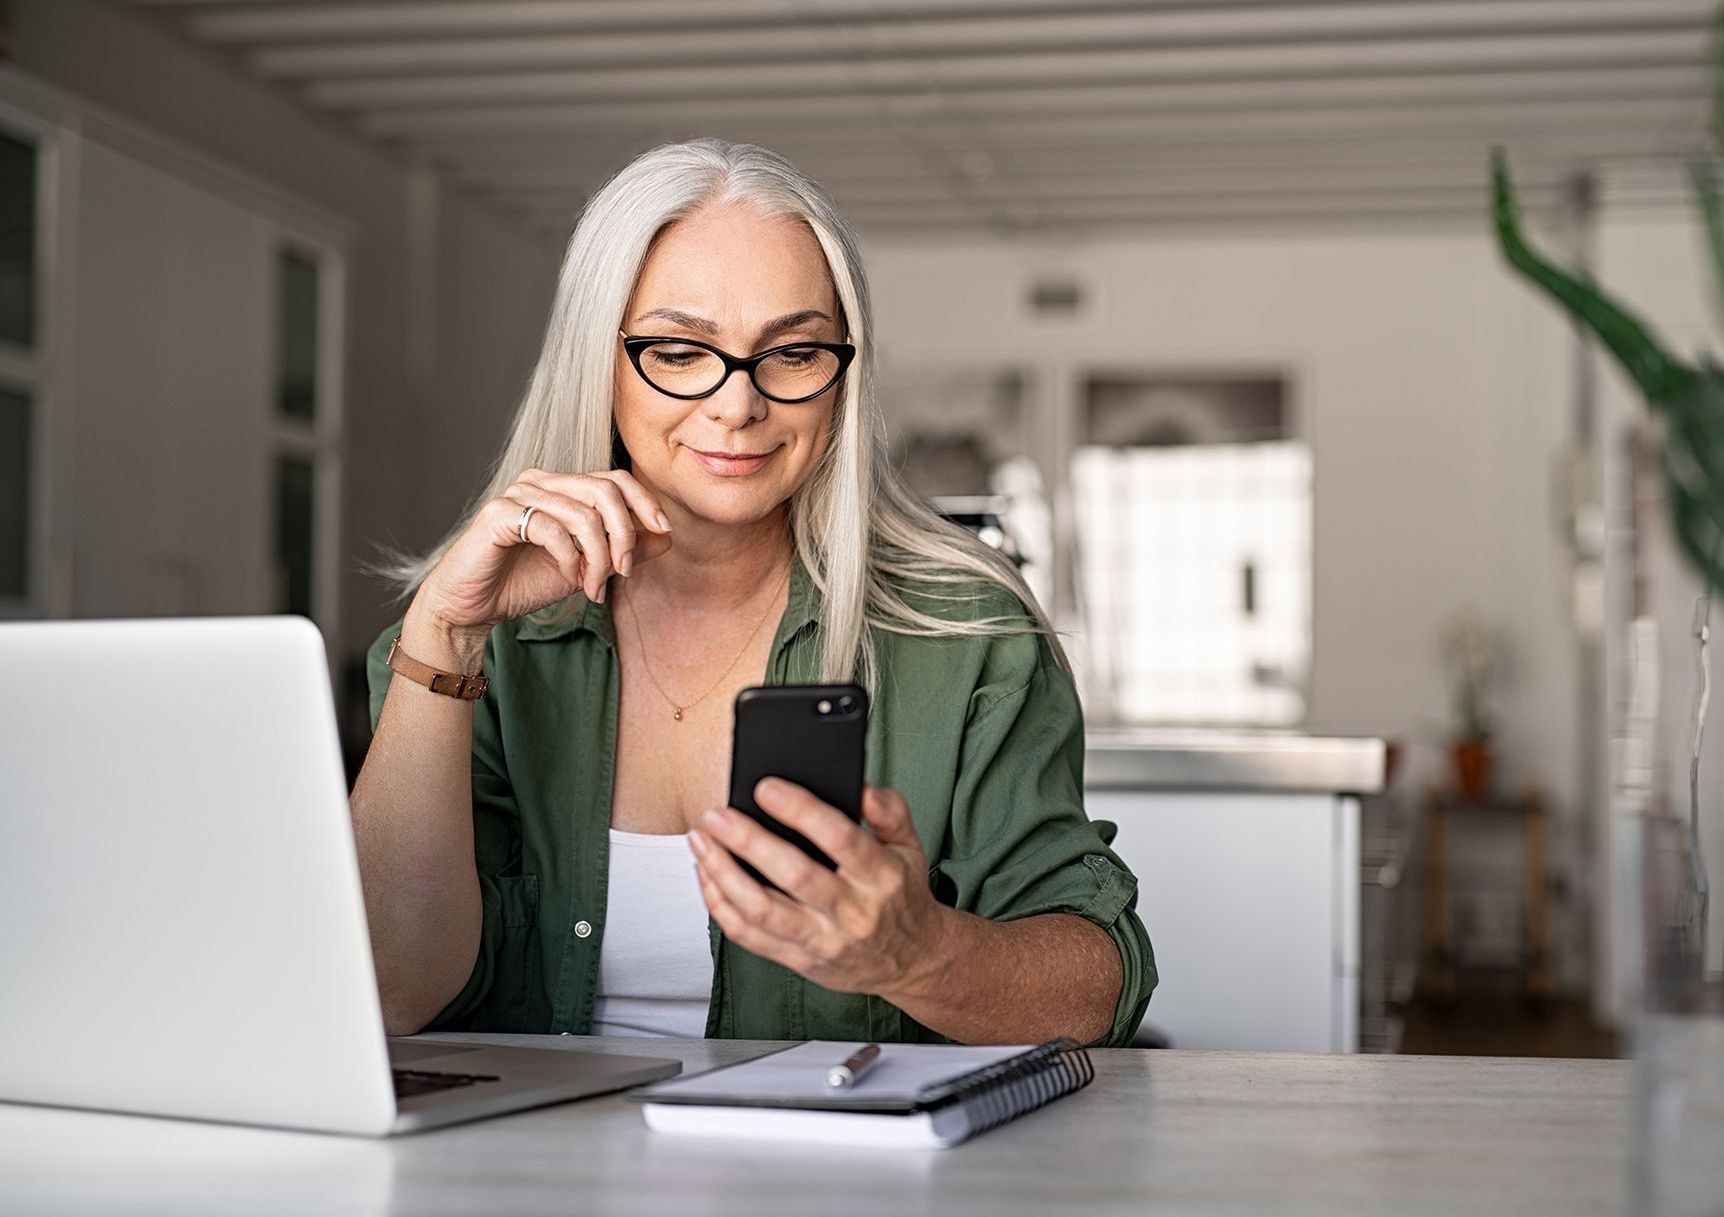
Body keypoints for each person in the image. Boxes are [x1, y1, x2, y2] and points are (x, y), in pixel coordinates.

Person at [351, 139, 1155, 1046]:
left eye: (794, 352)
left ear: (842, 378)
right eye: (681, 351)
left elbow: (1096, 986)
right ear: (600, 360)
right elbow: (387, 991)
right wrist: (444, 639)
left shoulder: (968, 632)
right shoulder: (468, 642)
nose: (739, 405)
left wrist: (918, 953)